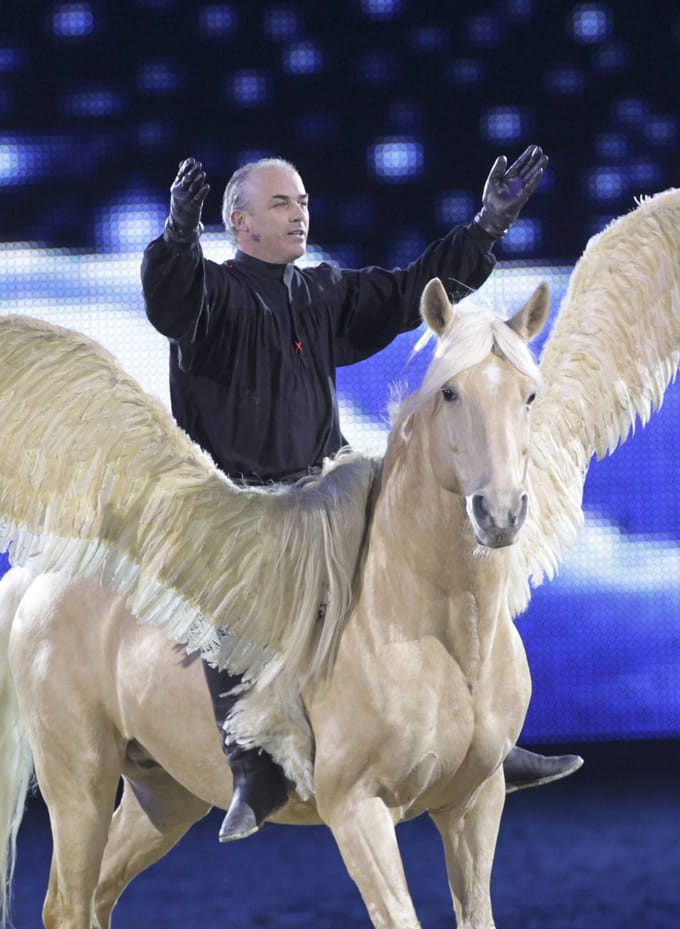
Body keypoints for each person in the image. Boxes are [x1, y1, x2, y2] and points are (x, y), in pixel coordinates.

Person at [141, 149, 581, 842]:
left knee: (424, 552)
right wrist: (176, 238)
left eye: (303, 201)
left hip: (323, 489)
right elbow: (171, 302)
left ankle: (480, 735)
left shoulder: (319, 294)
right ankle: (253, 761)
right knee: (237, 588)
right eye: (282, 202)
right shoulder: (210, 297)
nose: (299, 212)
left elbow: (412, 292)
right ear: (240, 221)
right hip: (236, 503)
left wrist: (486, 229)